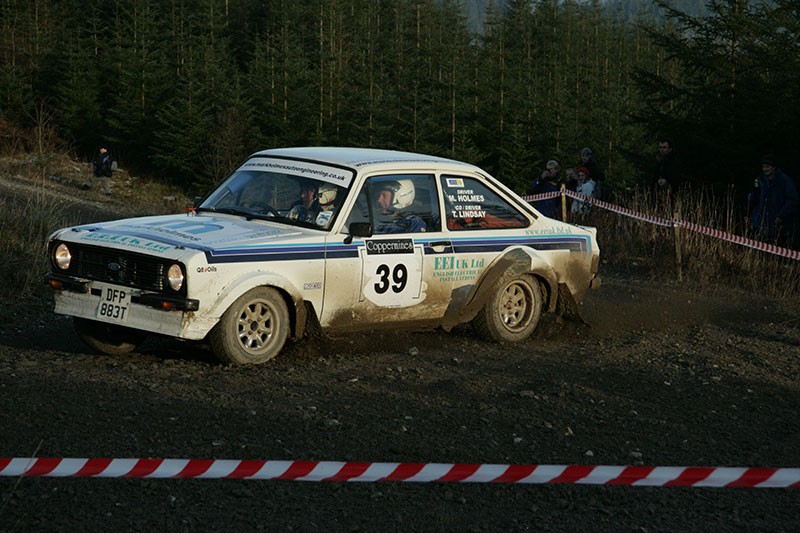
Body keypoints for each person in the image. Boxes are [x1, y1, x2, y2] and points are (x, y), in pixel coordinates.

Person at [748, 154, 799, 246]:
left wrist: (781, 216)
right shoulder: (759, 180)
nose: (765, 169)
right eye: (763, 167)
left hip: (778, 226)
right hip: (760, 224)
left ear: (774, 167)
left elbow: (792, 200)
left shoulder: (784, 181)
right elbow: (754, 200)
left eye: (767, 167)